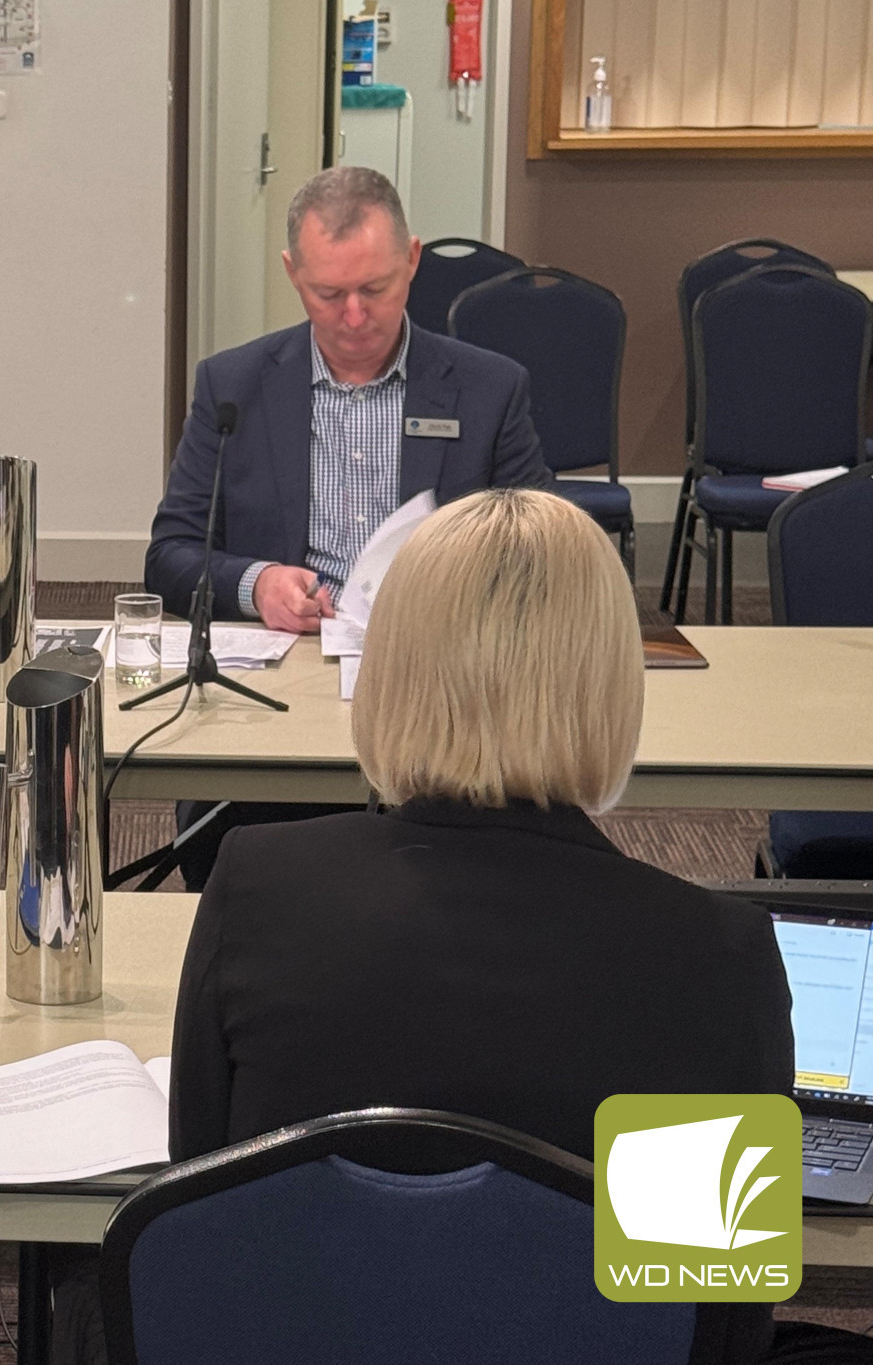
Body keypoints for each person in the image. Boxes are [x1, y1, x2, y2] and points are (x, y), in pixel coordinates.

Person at [170, 489, 862, 1363]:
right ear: (613, 682)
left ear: (390, 668)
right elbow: (711, 1307)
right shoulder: (716, 956)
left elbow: (195, 1193)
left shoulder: (257, 886)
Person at [143, 166, 553, 889]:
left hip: (446, 702)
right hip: (279, 705)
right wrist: (256, 581)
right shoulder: (232, 386)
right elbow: (171, 554)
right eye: (329, 294)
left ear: (414, 261)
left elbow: (549, 552)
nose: (355, 315)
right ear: (292, 274)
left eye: (378, 289)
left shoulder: (490, 388)